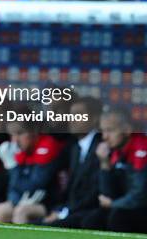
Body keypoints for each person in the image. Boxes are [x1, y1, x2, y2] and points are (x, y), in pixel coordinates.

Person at [0, 109, 66, 224]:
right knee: (0, 210)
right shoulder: (20, 151)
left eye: (20, 133)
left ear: (34, 131)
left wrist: (12, 167)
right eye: (12, 135)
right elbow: (12, 191)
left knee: (21, 211)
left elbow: (34, 186)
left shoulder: (47, 147)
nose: (15, 140)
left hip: (49, 204)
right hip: (23, 201)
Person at [44, 97, 102, 228]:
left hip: (89, 213)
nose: (72, 120)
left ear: (94, 119)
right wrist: (59, 210)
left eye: (78, 115)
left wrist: (65, 212)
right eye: (71, 115)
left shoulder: (101, 146)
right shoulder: (74, 148)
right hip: (71, 209)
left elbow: (94, 193)